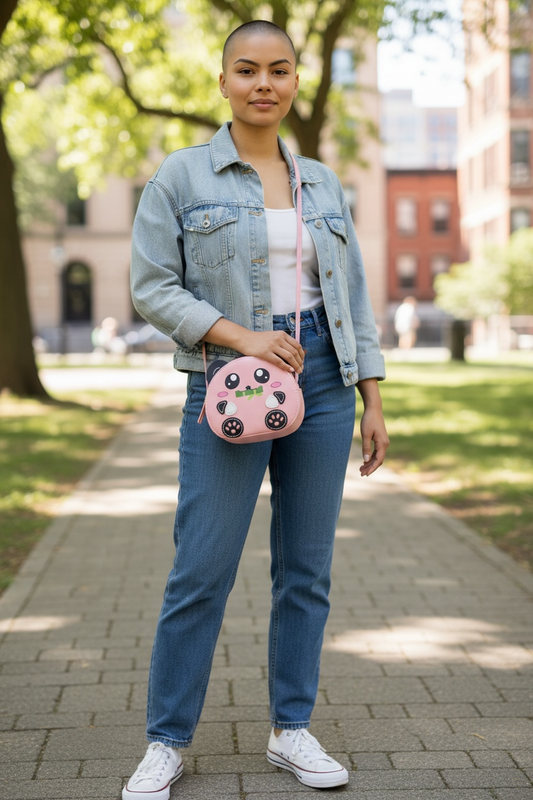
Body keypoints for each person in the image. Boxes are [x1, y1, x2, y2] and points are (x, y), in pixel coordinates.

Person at [124, 20, 389, 799]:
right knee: (201, 569)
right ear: (223, 81)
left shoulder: (324, 183)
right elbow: (151, 286)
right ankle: (166, 741)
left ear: (296, 80)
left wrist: (372, 397)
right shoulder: (181, 175)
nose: (262, 83)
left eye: (278, 69)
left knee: (305, 571)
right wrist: (243, 337)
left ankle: (290, 729)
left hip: (324, 380)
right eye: (246, 69)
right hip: (228, 382)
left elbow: (352, 297)